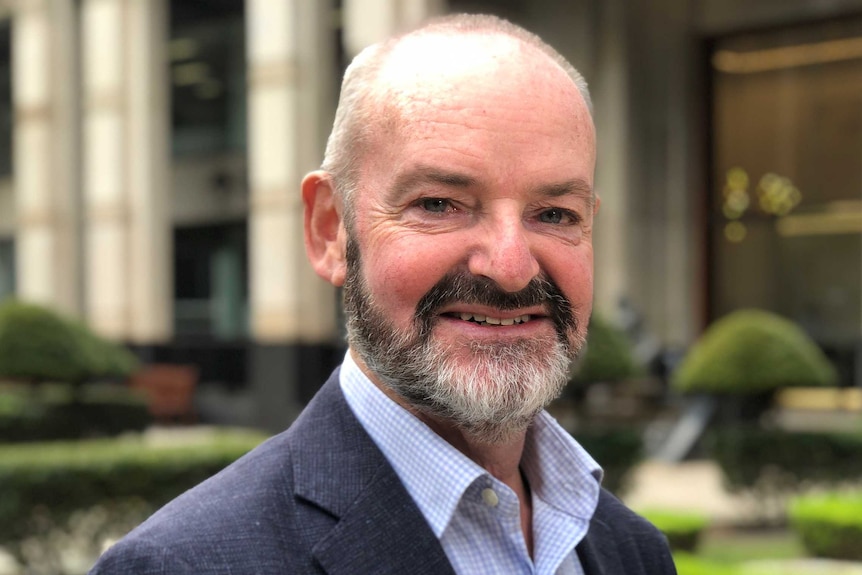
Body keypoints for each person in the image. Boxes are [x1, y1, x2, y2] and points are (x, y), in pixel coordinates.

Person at [90, 13, 676, 575]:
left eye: (554, 213)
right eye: (439, 204)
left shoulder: (632, 551)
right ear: (330, 229)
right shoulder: (183, 566)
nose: (511, 267)